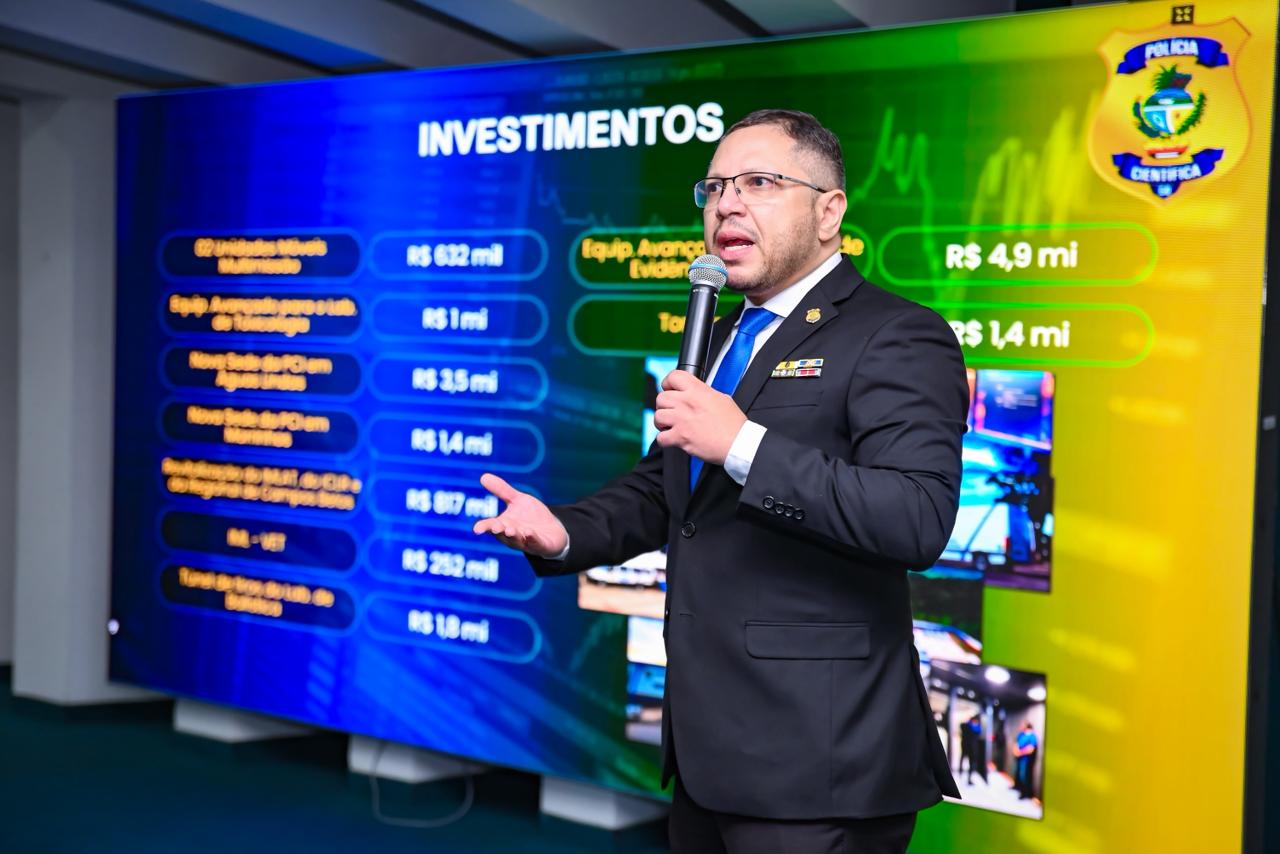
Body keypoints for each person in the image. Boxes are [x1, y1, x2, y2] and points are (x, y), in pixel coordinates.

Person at [474, 108, 968, 854]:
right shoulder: (721, 334)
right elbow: (667, 489)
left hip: (820, 765)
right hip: (706, 755)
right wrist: (564, 531)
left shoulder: (897, 332)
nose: (727, 204)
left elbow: (916, 517)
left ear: (829, 212)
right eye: (715, 188)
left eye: (759, 183)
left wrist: (742, 443)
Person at [1013, 721, 1039, 800]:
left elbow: (1031, 749)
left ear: (1027, 726)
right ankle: (1019, 788)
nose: (1021, 726)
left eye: (1023, 725)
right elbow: (1017, 744)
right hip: (1020, 759)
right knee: (1019, 774)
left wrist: (1020, 753)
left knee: (1024, 776)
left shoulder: (1032, 736)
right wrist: (1016, 751)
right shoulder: (1022, 735)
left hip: (1026, 760)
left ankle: (1025, 793)